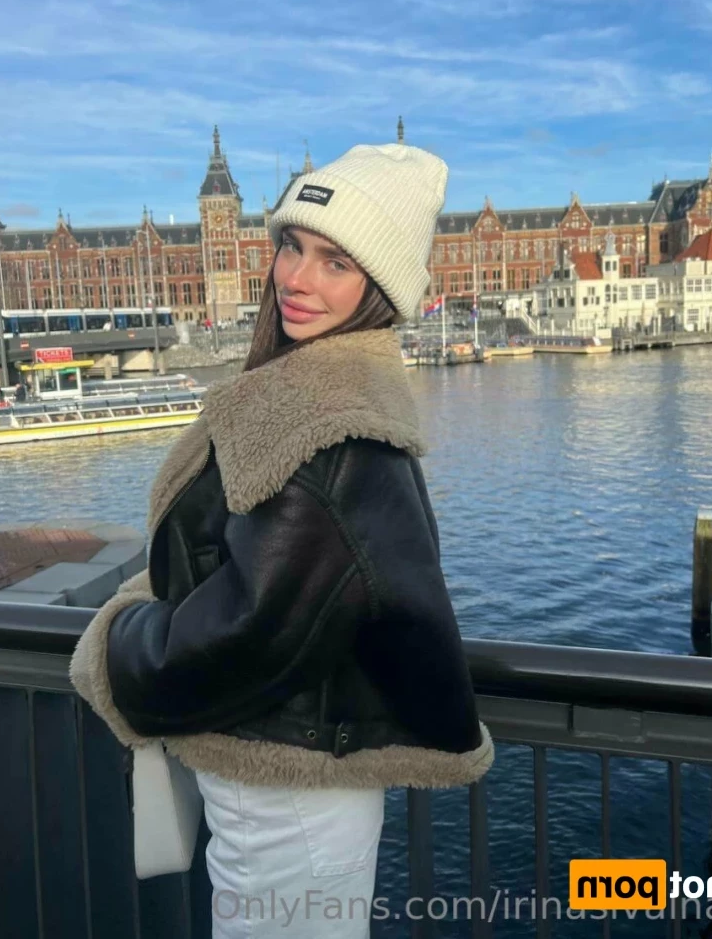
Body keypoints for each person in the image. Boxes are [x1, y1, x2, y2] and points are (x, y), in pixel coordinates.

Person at [69, 143, 494, 939]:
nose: (296, 278)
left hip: (286, 790)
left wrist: (116, 639)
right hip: (284, 771)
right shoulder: (322, 397)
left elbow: (250, 627)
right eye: (292, 246)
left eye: (335, 262)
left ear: (378, 286)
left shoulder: (331, 428)